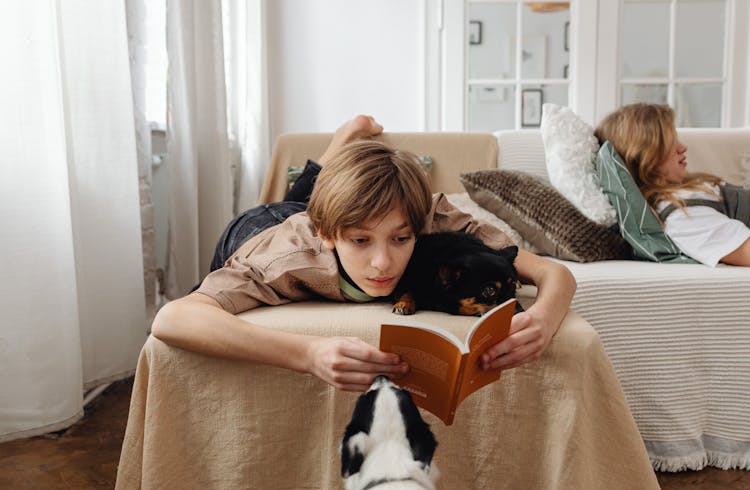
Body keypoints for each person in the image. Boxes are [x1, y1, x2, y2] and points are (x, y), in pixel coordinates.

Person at [152, 115, 576, 392]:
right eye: (360, 242)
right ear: (330, 236)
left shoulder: (432, 216)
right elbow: (173, 318)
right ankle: (340, 145)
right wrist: (307, 353)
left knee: (312, 202)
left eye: (400, 239)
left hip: (322, 218)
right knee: (292, 204)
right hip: (257, 227)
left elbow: (553, 273)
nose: (383, 264)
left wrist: (542, 317)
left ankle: (341, 155)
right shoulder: (281, 260)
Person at [595, 103, 750, 267]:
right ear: (644, 154)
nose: (683, 147)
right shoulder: (682, 217)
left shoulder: (684, 192)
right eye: (670, 141)